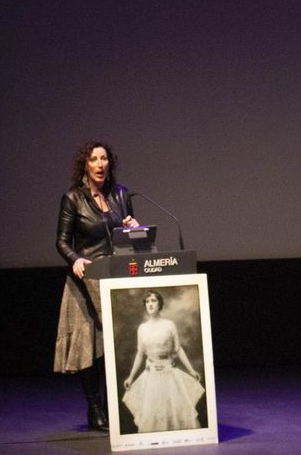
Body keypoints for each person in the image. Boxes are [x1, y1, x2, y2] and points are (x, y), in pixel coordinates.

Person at [53, 140, 139, 431]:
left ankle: (118, 404)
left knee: (117, 345)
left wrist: (133, 229)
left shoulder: (121, 195)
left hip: (116, 277)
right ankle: (95, 408)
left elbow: (130, 237)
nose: (100, 164)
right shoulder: (73, 198)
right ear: (85, 165)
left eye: (104, 159)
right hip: (86, 280)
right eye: (94, 159)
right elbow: (62, 241)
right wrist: (75, 258)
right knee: (90, 347)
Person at [121, 289, 204, 433]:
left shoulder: (169, 325)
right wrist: (131, 377)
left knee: (175, 411)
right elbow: (140, 354)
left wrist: (191, 370)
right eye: (147, 301)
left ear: (160, 304)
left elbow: (178, 349)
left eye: (153, 301)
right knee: (152, 413)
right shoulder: (142, 329)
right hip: (151, 377)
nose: (150, 304)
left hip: (169, 375)